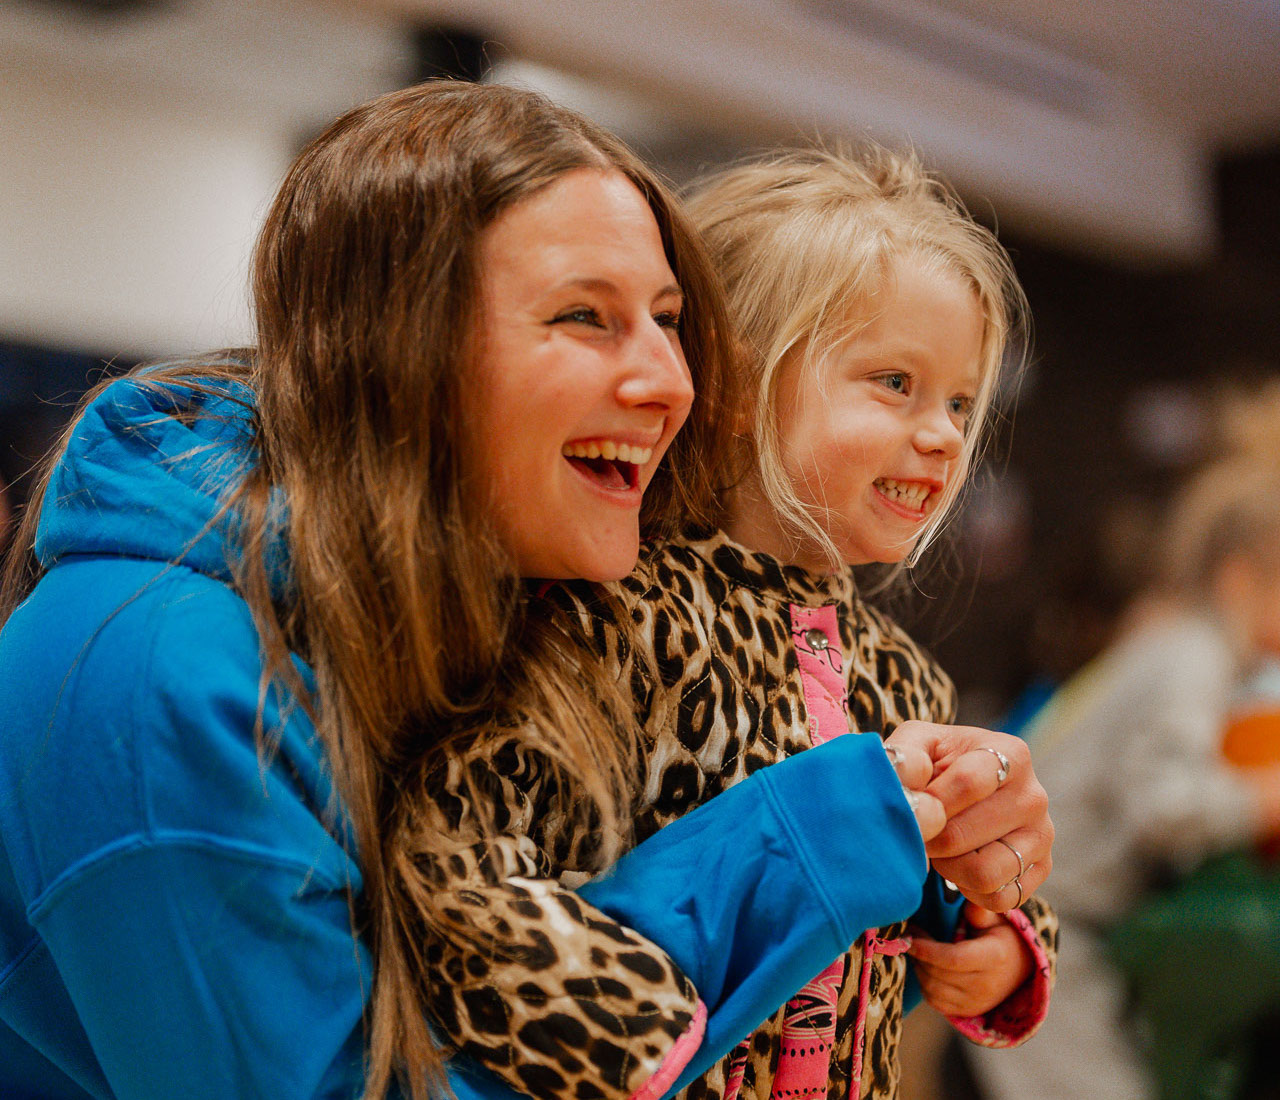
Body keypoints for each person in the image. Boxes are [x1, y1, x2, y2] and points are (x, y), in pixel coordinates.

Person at [0, 83, 1052, 1100]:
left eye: (668, 320)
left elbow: (801, 985)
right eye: (585, 316)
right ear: (401, 350)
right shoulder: (157, 677)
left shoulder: (471, 606)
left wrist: (968, 887)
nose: (674, 380)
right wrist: (805, 846)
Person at [411, 146, 1057, 1100]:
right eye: (894, 382)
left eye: (962, 402)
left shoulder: (905, 677)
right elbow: (463, 887)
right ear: (738, 390)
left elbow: (934, 900)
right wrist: (639, 1029)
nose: (944, 434)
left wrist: (995, 934)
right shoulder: (613, 622)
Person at [964, 456, 1280, 1100]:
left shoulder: (1177, 644)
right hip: (1043, 925)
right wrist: (1262, 799)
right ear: (1240, 577)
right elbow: (1161, 807)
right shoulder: (1194, 654)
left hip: (1056, 923)